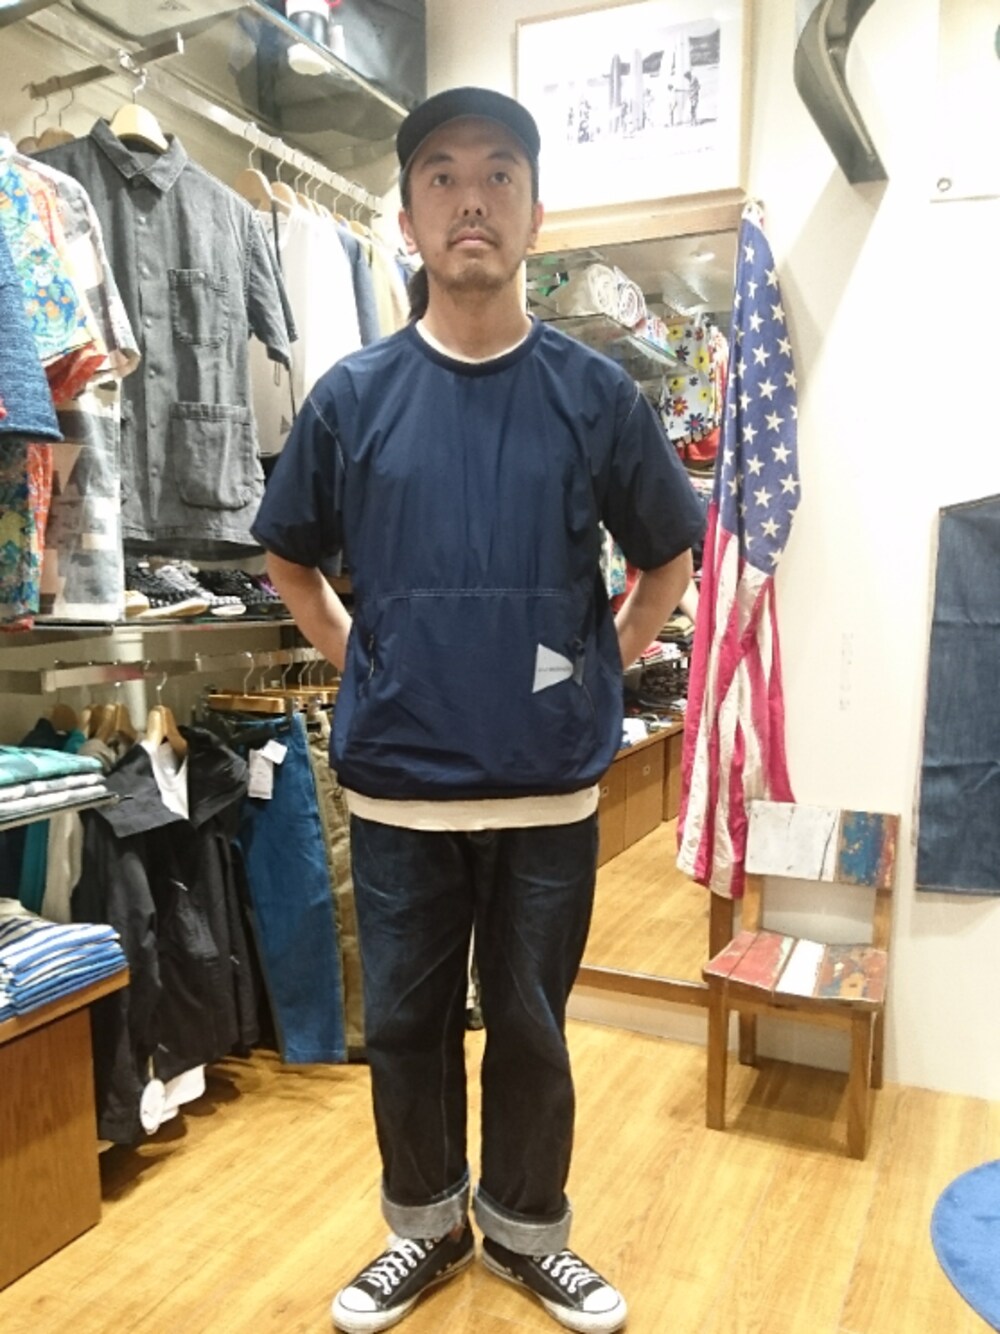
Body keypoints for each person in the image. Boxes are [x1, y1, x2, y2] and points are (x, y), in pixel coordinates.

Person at [251, 86, 704, 1334]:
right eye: (442, 175)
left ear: (535, 215)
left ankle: (526, 1230)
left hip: (548, 782)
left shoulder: (594, 395)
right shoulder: (352, 397)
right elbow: (288, 554)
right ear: (406, 218)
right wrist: (363, 657)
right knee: (405, 1023)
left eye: (499, 174)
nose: (471, 199)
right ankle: (424, 1226)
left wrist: (604, 662)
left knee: (530, 1026)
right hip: (399, 783)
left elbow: (668, 553)